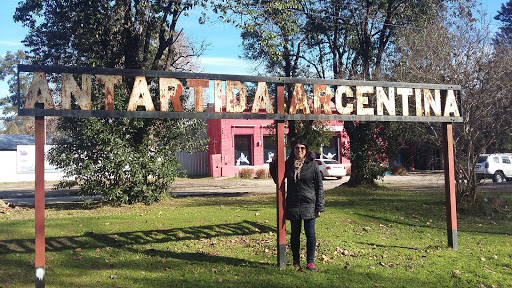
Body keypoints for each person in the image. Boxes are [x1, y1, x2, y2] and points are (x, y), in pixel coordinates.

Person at [270, 139, 325, 272]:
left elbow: (319, 186)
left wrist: (319, 206)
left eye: (302, 148)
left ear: (306, 150)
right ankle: (296, 260)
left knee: (310, 234)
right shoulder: (288, 164)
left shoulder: (312, 165)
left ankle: (310, 262)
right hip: (293, 204)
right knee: (295, 234)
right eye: (296, 148)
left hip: (309, 205)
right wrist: (273, 163)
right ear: (293, 150)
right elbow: (277, 178)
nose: (299, 150)